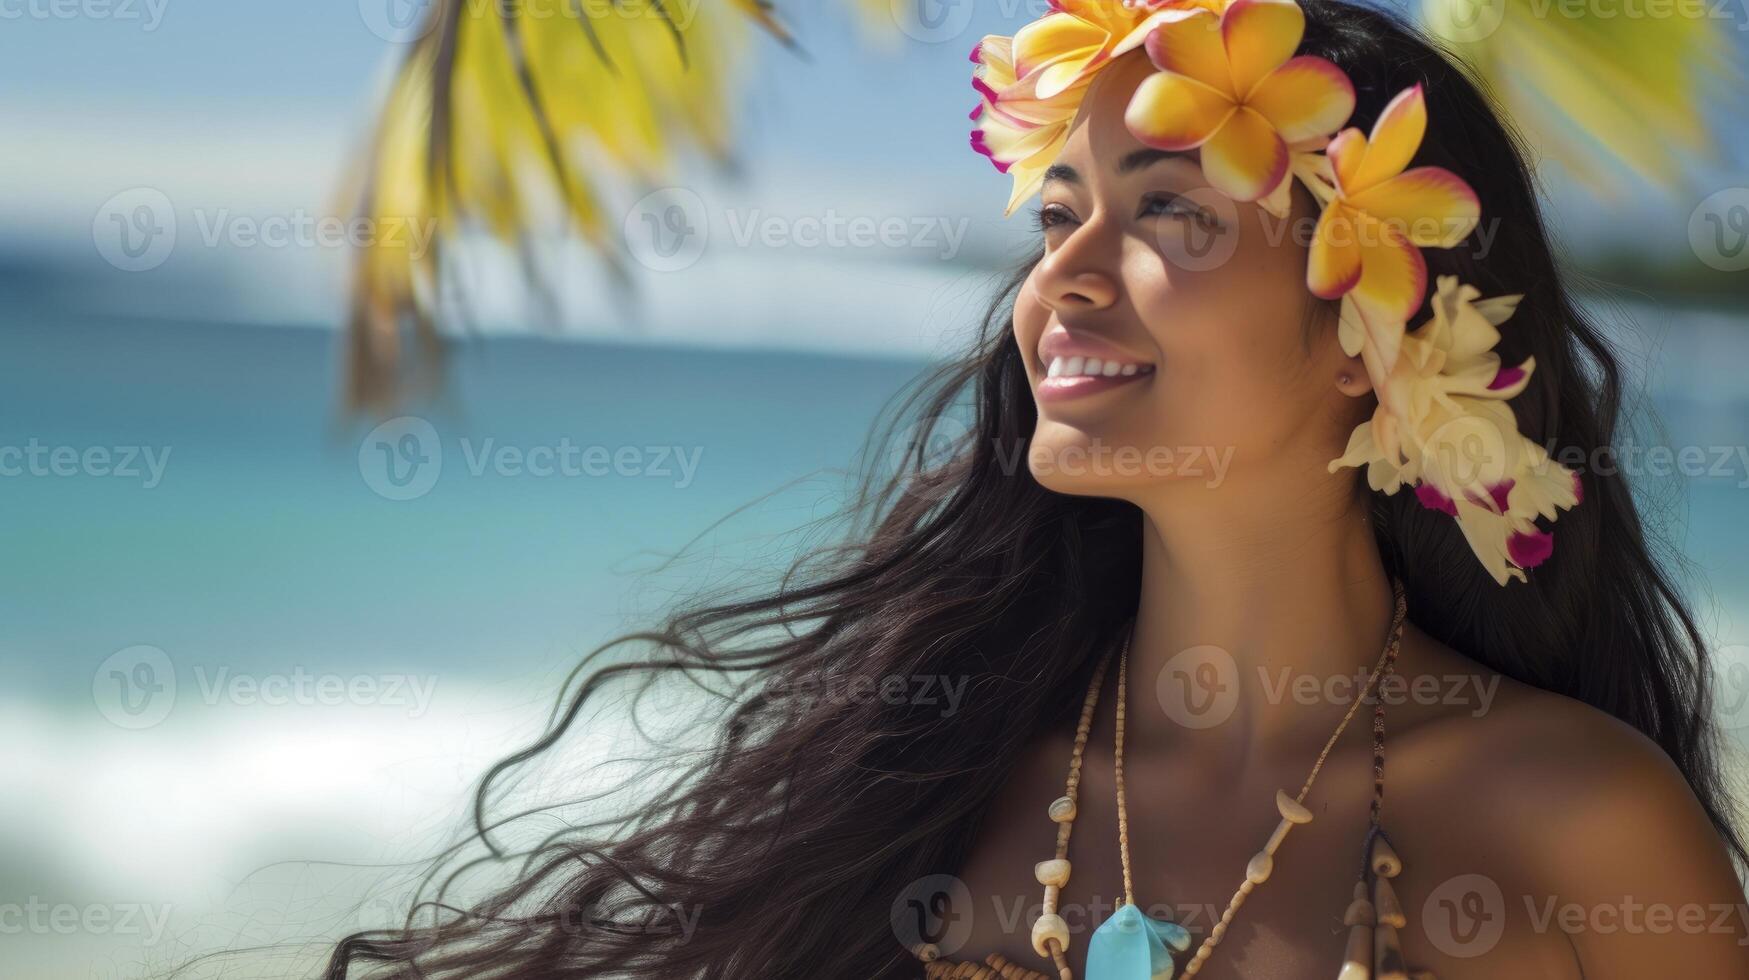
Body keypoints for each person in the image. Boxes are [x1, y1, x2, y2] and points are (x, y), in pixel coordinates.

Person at [325, 1, 1749, 977]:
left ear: (1374, 336)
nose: (1058, 280)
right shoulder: (924, 778)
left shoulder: (1574, 821)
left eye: (1169, 213)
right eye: (1058, 213)